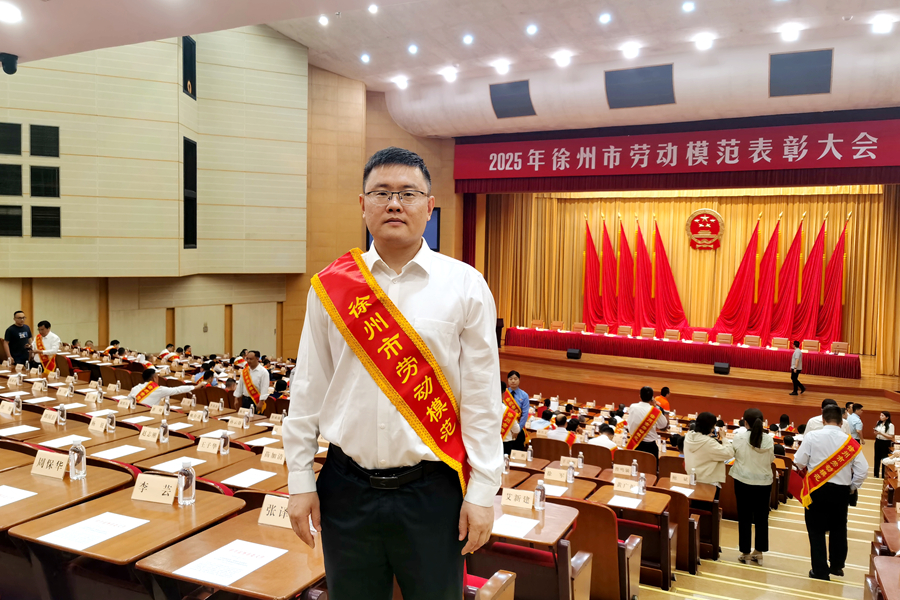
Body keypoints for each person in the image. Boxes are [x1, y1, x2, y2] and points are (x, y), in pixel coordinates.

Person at [283, 147, 502, 600]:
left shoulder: (465, 285)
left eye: (408, 193)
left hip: (433, 493)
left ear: (430, 205)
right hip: (345, 489)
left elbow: (482, 399)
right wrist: (300, 480)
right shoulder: (330, 288)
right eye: (381, 193)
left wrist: (483, 490)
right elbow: (307, 389)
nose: (394, 204)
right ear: (363, 205)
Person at [794, 404, 867, 580]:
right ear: (841, 422)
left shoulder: (812, 436)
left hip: (816, 489)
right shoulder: (850, 442)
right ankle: (836, 566)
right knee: (839, 528)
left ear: (823, 419)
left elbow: (799, 461)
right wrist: (852, 487)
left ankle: (819, 571)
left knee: (816, 530)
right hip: (841, 491)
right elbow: (863, 470)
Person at [730, 408, 774, 565]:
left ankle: (745, 552)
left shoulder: (739, 437)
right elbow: (771, 459)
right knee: (762, 517)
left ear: (745, 422)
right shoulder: (769, 439)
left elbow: (732, 454)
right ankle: (759, 552)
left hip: (743, 481)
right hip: (764, 483)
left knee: (745, 517)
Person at [683, 412, 734, 486]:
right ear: (710, 428)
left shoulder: (688, 436)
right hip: (708, 482)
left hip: (692, 479)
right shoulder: (709, 443)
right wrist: (723, 437)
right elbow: (729, 453)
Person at [626, 386, 668, 458]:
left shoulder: (632, 406)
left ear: (640, 396)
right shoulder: (655, 411)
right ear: (652, 398)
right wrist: (655, 407)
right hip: (650, 447)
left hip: (635, 444)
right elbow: (664, 425)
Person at [128, 368, 204, 406]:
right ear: (154, 378)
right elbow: (177, 390)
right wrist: (196, 387)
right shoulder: (158, 390)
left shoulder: (135, 388)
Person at [506, 371, 530, 451]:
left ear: (519, 380)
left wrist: (517, 430)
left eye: (515, 379)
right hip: (505, 427)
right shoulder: (504, 393)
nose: (513, 381)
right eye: (510, 379)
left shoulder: (524, 395)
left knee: (516, 452)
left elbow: (525, 414)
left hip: (518, 428)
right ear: (507, 380)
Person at [874, 412, 894, 478]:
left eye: (883, 415)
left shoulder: (890, 425)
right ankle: (876, 474)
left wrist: (881, 433)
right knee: (877, 457)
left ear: (887, 417)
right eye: (880, 415)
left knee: (884, 458)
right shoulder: (878, 423)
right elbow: (876, 432)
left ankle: (883, 475)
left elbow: (891, 436)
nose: (881, 416)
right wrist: (876, 433)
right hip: (878, 441)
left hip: (885, 443)